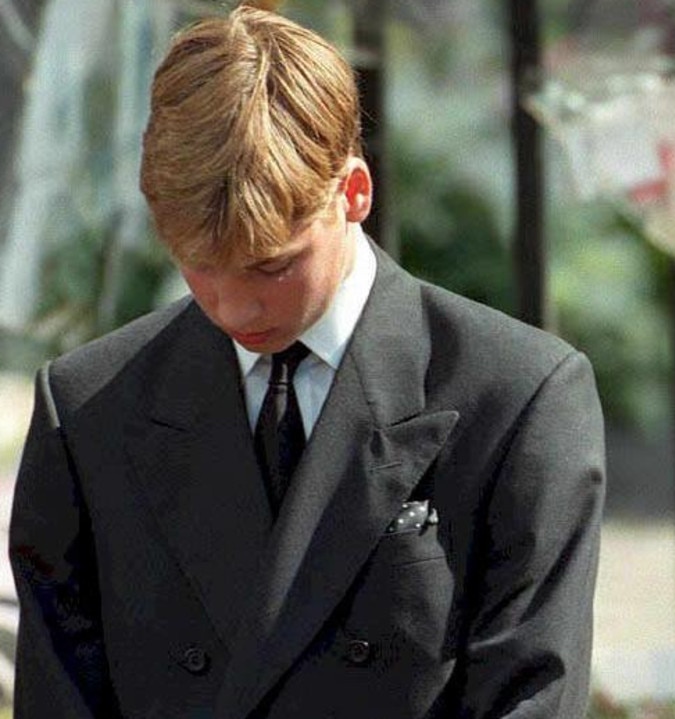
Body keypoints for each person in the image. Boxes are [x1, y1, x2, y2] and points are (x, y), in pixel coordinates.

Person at [8, 5, 605, 718]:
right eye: (201, 266)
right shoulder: (87, 412)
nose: (235, 308)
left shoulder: (517, 399)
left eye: (271, 267)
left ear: (353, 192)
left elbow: (531, 695)